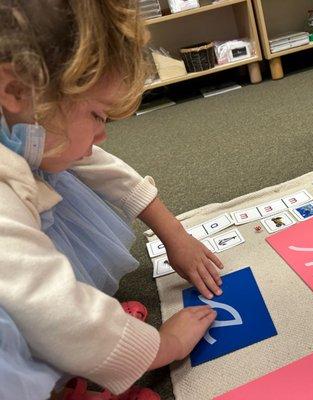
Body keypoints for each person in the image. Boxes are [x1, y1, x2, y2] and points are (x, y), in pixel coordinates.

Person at [0, 1, 224, 398]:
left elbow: (94, 162)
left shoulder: (24, 119)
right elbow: (57, 312)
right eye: (98, 116)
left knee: (66, 160)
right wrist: (164, 345)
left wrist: (172, 232)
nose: (102, 136)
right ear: (15, 89)